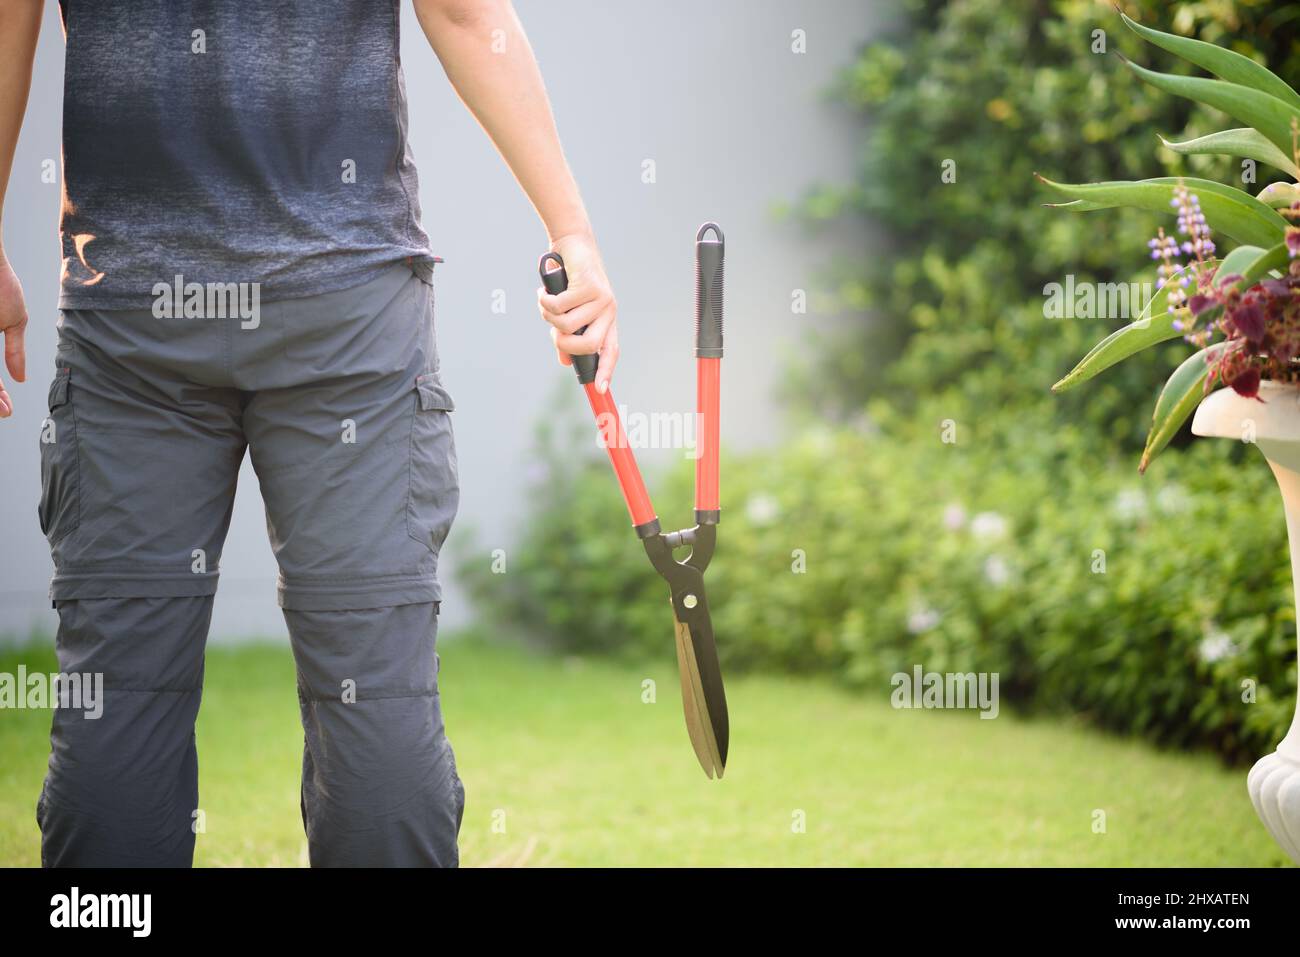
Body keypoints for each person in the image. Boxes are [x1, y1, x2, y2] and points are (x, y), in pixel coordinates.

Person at [0, 0, 619, 868]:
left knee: (117, 715)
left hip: (138, 306)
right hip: (341, 308)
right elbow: (466, 14)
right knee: (378, 719)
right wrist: (573, 233)